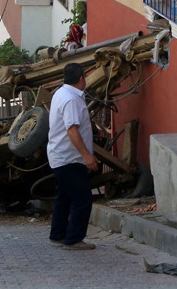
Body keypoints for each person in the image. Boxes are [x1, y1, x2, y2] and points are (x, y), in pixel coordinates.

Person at [47, 63, 99, 250]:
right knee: (82, 199)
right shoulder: (71, 99)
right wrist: (86, 156)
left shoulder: (61, 93)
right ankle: (74, 239)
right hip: (69, 158)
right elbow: (72, 130)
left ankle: (58, 234)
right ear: (81, 78)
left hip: (60, 156)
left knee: (64, 196)